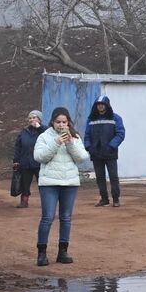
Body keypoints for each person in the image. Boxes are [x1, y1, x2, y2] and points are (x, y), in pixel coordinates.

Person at [33, 106, 90, 267]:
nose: (61, 125)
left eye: (64, 122)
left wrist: (70, 143)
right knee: (48, 217)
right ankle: (42, 253)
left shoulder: (75, 136)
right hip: (49, 183)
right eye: (58, 122)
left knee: (66, 218)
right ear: (52, 122)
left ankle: (63, 251)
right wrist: (56, 143)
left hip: (70, 183)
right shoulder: (45, 137)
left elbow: (83, 157)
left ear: (68, 122)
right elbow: (39, 157)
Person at [84, 97, 125, 207]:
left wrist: (112, 146)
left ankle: (116, 199)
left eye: (102, 104)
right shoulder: (91, 119)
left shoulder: (116, 118)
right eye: (98, 104)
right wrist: (88, 147)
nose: (100, 106)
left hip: (110, 153)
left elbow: (120, 134)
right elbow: (87, 135)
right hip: (96, 153)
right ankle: (104, 199)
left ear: (107, 105)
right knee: (100, 177)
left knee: (113, 176)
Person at [10, 110, 43, 208]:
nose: (32, 120)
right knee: (25, 183)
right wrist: (16, 160)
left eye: (34, 117)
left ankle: (47, 201)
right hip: (25, 162)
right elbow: (18, 146)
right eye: (30, 118)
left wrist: (39, 128)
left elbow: (49, 138)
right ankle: (24, 201)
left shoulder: (45, 130)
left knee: (43, 183)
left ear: (39, 119)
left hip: (39, 162)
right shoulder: (24, 131)